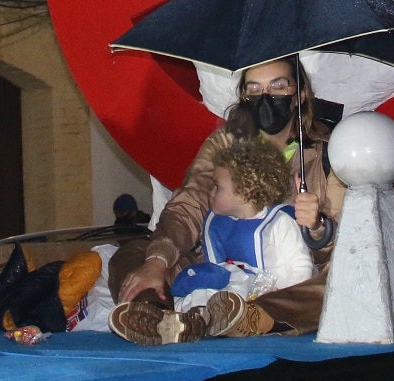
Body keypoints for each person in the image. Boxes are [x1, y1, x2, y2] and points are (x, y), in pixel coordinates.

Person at [107, 57, 344, 343]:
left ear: (300, 94)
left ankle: (247, 318)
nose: (265, 97)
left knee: (338, 284)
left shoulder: (330, 151)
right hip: (218, 272)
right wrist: (156, 263)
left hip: (285, 281)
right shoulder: (225, 144)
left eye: (278, 87)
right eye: (254, 89)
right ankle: (157, 316)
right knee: (132, 254)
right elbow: (188, 205)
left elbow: (342, 246)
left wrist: (317, 227)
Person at [167, 132, 314, 330]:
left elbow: (301, 266)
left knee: (236, 295)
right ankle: (185, 319)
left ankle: (217, 318)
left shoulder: (278, 223)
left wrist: (285, 293)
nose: (210, 193)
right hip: (233, 290)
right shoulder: (217, 223)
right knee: (202, 287)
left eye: (217, 187)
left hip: (270, 297)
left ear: (244, 192)